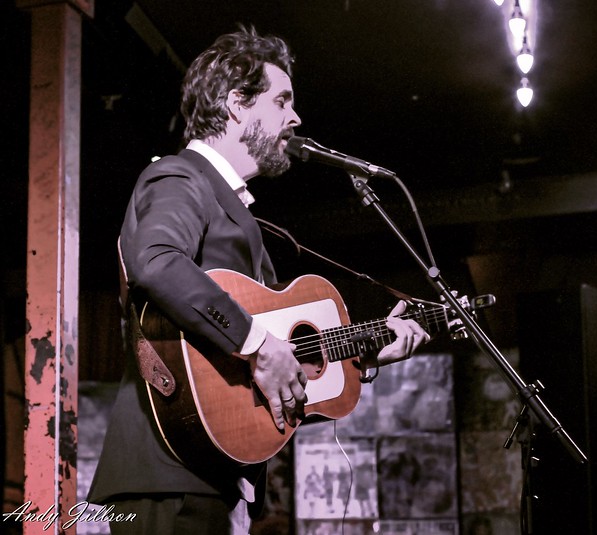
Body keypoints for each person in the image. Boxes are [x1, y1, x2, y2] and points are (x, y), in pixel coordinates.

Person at [88, 25, 428, 534]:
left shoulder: (238, 213)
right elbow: (156, 260)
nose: (296, 118)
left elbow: (278, 360)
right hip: (170, 473)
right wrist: (260, 345)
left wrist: (364, 353)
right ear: (236, 105)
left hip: (218, 476)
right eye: (282, 100)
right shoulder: (179, 176)